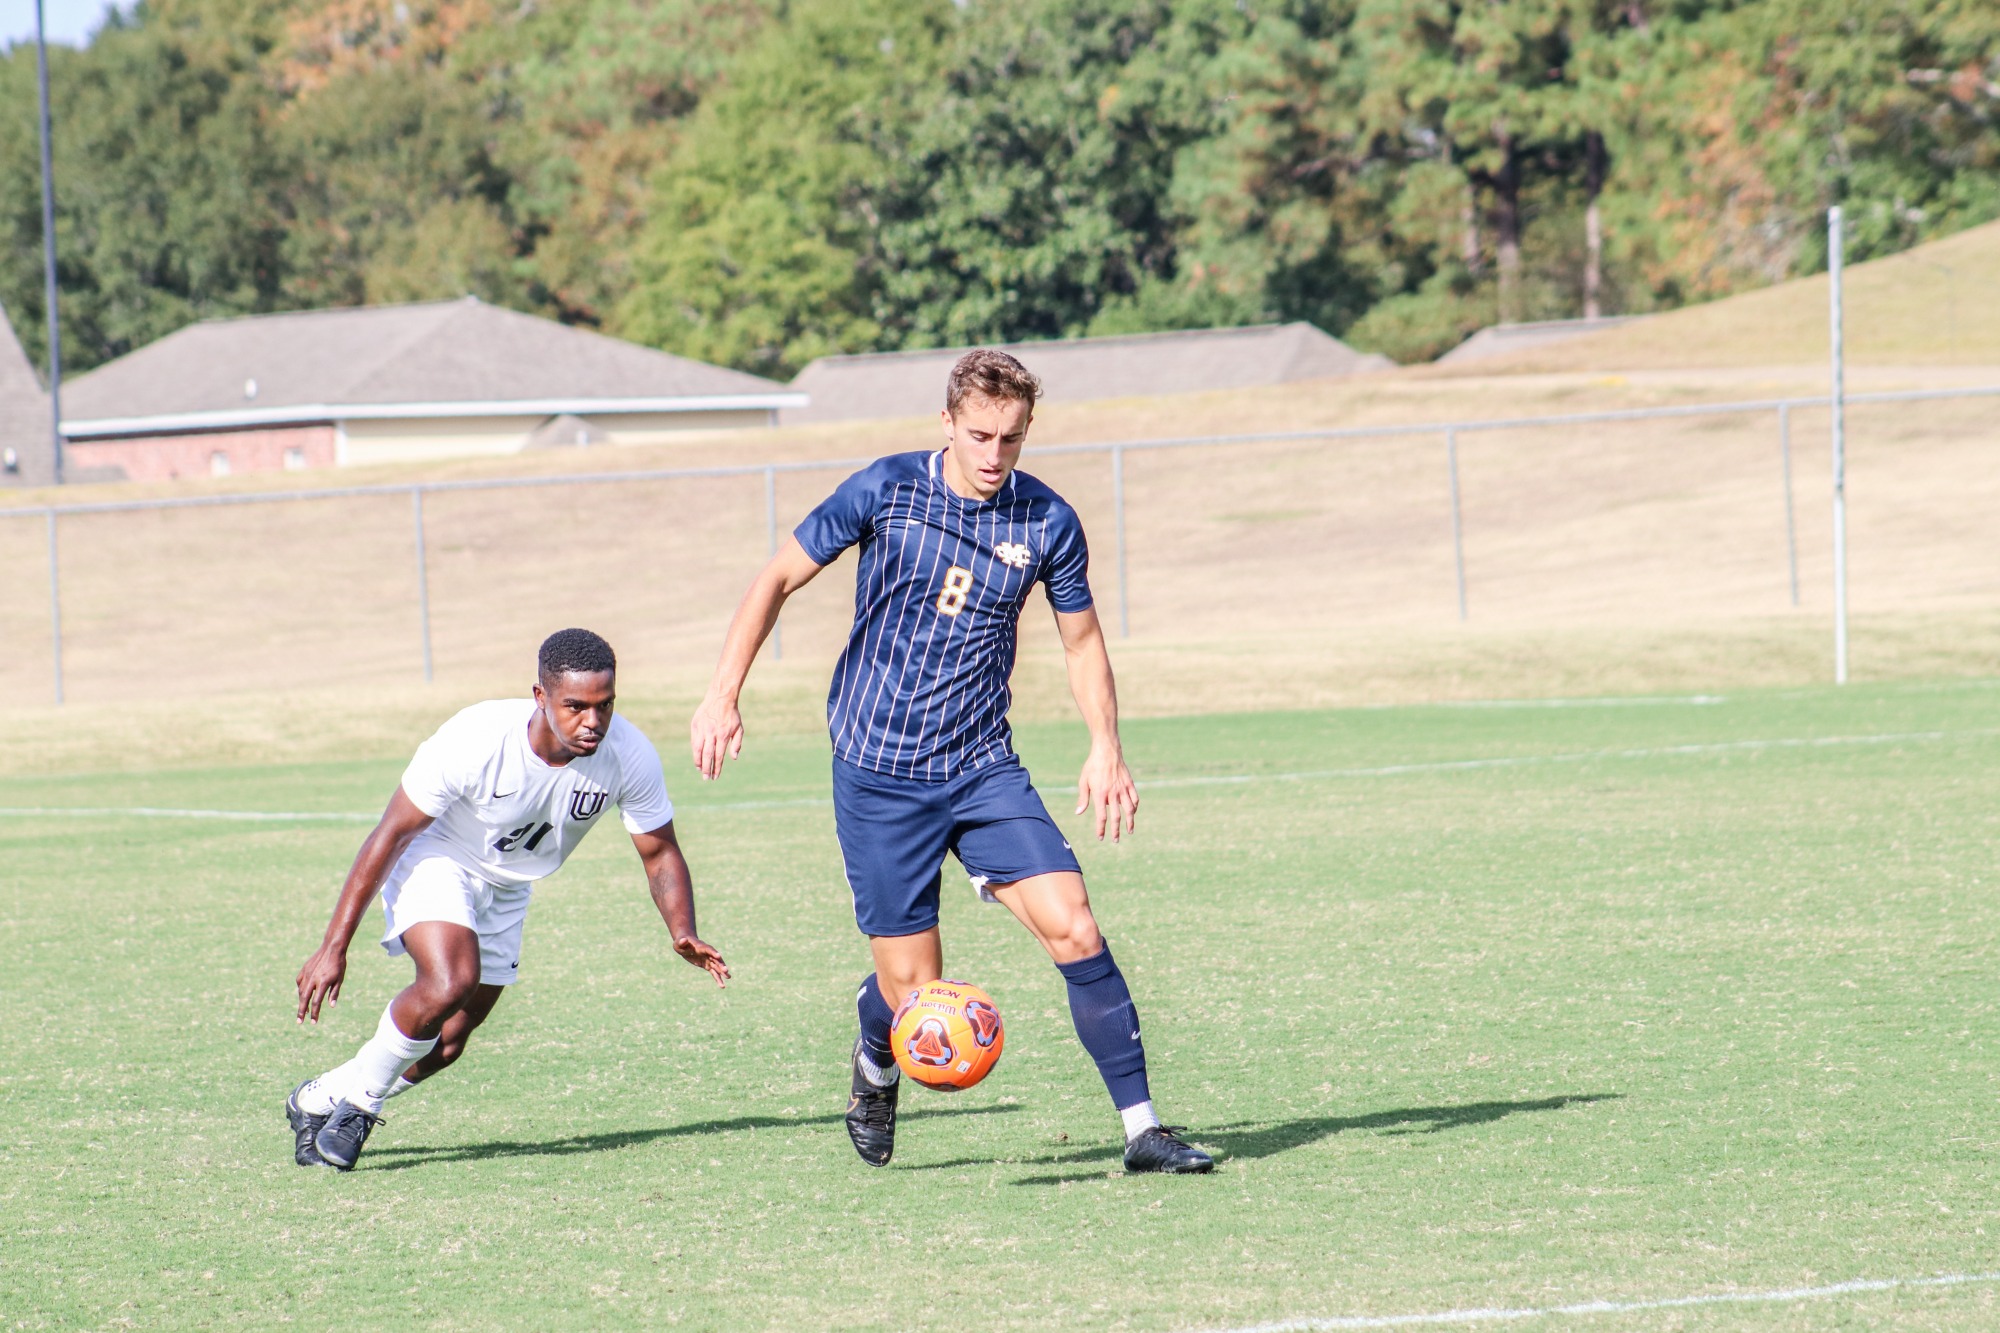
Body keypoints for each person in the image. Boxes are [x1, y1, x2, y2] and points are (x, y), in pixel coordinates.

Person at [689, 350, 1211, 1174]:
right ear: (947, 423)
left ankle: (1142, 1130)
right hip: (880, 771)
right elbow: (777, 578)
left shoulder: (1047, 521)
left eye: (1011, 437)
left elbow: (1082, 642)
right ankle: (875, 1051)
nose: (994, 454)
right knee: (915, 998)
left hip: (980, 766)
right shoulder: (886, 489)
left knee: (1076, 926)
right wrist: (723, 694)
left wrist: (1105, 745)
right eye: (979, 435)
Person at [288, 628, 729, 1171]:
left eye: (605, 705)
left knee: (448, 1043)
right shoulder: (477, 737)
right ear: (540, 696)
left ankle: (317, 1099)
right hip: (439, 857)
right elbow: (391, 834)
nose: (592, 721)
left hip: (509, 886)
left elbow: (659, 853)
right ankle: (360, 1106)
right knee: (451, 980)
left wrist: (682, 929)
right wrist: (334, 946)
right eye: (575, 706)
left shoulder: (628, 755)